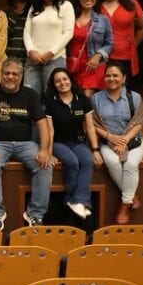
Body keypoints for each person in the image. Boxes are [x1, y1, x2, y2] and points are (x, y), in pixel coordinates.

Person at [0, 58, 53, 230]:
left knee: (45, 165)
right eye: (7, 73)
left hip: (25, 144)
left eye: (14, 74)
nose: (10, 77)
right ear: (1, 74)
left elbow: (42, 124)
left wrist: (44, 149)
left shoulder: (30, 94)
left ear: (21, 75)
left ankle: (35, 214)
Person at [43, 68, 101, 220]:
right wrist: (48, 153)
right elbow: (50, 131)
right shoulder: (50, 101)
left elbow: (89, 127)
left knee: (87, 161)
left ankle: (79, 201)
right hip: (58, 143)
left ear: (70, 80)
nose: (62, 83)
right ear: (54, 84)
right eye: (58, 81)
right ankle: (72, 200)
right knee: (72, 162)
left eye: (65, 79)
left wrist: (95, 150)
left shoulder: (81, 99)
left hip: (78, 141)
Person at [92, 62, 143, 224]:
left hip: (132, 140)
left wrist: (124, 140)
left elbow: (139, 121)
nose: (111, 78)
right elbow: (92, 124)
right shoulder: (96, 98)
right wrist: (110, 137)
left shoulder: (134, 97)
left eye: (115, 75)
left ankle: (124, 205)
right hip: (108, 141)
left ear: (123, 78)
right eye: (108, 75)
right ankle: (131, 196)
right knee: (113, 162)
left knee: (130, 165)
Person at [23, 0, 75, 92]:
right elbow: (27, 32)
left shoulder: (65, 6)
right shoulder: (34, 8)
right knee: (30, 95)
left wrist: (51, 53)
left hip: (55, 59)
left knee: (53, 95)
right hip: (33, 59)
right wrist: (30, 51)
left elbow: (68, 33)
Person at [97, 0, 143, 79]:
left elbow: (142, 27)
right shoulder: (96, 6)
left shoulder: (132, 4)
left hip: (126, 57)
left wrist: (133, 44)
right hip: (101, 57)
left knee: (124, 93)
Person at [68, 0, 114, 96]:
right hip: (72, 66)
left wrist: (98, 56)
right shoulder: (70, 18)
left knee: (87, 98)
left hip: (92, 67)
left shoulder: (103, 20)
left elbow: (110, 43)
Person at [4, 0, 32, 67]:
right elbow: (4, 35)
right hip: (9, 59)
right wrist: (15, 15)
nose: (19, 5)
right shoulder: (6, 14)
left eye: (22, 2)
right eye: (16, 2)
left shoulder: (31, 15)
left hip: (27, 60)